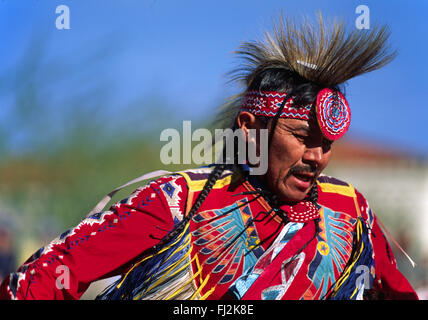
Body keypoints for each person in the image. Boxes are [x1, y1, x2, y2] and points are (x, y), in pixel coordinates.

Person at [0, 14, 418, 300]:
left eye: (327, 144)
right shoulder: (178, 202)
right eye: (302, 137)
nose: (318, 158)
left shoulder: (348, 211)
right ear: (251, 127)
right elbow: (50, 276)